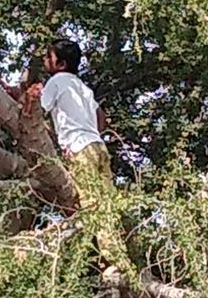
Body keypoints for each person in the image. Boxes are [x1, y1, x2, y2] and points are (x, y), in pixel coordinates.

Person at [13, 40, 128, 270]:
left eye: (49, 57)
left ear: (61, 64)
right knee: (107, 203)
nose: (45, 60)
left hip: (80, 150)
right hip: (98, 146)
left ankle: (113, 260)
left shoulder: (56, 82)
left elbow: (37, 108)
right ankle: (119, 252)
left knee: (93, 203)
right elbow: (101, 118)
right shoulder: (83, 87)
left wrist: (23, 98)